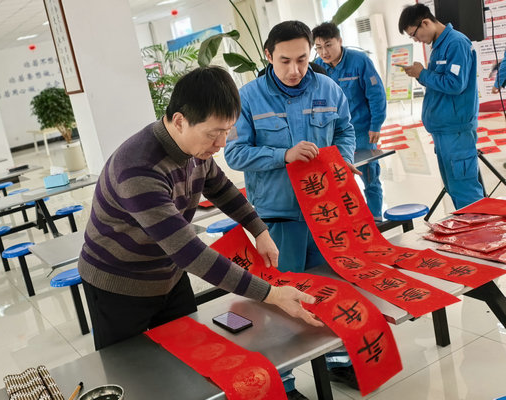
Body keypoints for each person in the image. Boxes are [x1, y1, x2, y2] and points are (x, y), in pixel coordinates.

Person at [78, 66, 324, 355]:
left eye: (227, 132)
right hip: (119, 285)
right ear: (180, 121)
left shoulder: (196, 148)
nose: (221, 144)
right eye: (214, 134)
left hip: (169, 274)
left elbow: (220, 188)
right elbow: (190, 253)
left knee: (190, 355)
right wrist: (271, 294)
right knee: (132, 368)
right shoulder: (138, 170)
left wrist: (259, 229)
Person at [224, 21, 358, 395]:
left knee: (330, 288)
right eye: (285, 61)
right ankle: (283, 381)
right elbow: (234, 153)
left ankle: (336, 362)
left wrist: (342, 159)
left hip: (324, 213)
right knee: (280, 298)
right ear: (269, 55)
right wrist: (283, 155)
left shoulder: (328, 89)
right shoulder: (248, 98)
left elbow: (345, 130)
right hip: (277, 218)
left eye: (302, 59)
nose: (295, 69)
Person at [399, 4, 484, 210]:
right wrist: (420, 75)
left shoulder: (456, 43)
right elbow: (440, 85)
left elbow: (455, 84)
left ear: (425, 22)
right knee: (454, 188)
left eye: (414, 34)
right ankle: (467, 227)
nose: (416, 40)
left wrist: (423, 73)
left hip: (456, 132)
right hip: (444, 131)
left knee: (466, 191)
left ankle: (479, 229)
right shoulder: (439, 46)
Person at [313, 22, 387, 220]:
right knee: (339, 179)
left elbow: (376, 94)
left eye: (328, 45)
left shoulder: (359, 61)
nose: (324, 52)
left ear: (339, 41)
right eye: (319, 47)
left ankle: (375, 218)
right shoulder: (317, 67)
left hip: (362, 131)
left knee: (370, 176)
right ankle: (352, 221)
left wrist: (376, 124)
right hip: (332, 134)